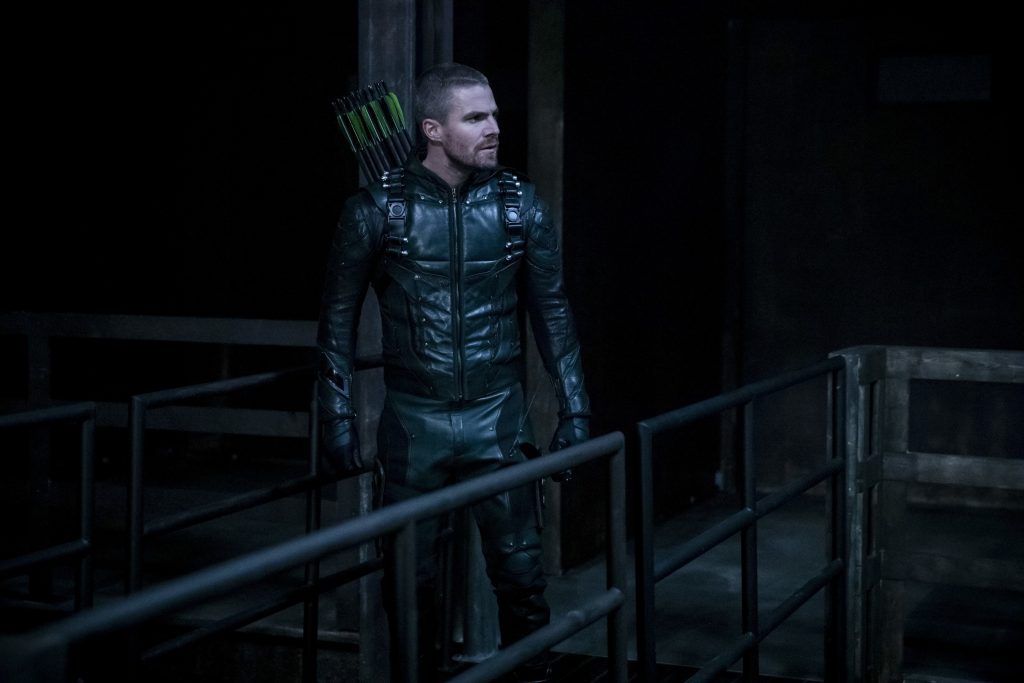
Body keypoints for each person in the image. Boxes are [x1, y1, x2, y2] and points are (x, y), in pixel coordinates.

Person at [316, 62, 590, 682]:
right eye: (476, 118)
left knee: (523, 581)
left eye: (494, 115)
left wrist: (577, 409)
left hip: (499, 421)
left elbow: (553, 313)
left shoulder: (520, 206)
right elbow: (334, 324)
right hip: (415, 427)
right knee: (410, 589)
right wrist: (336, 418)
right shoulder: (376, 210)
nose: (494, 128)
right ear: (433, 130)